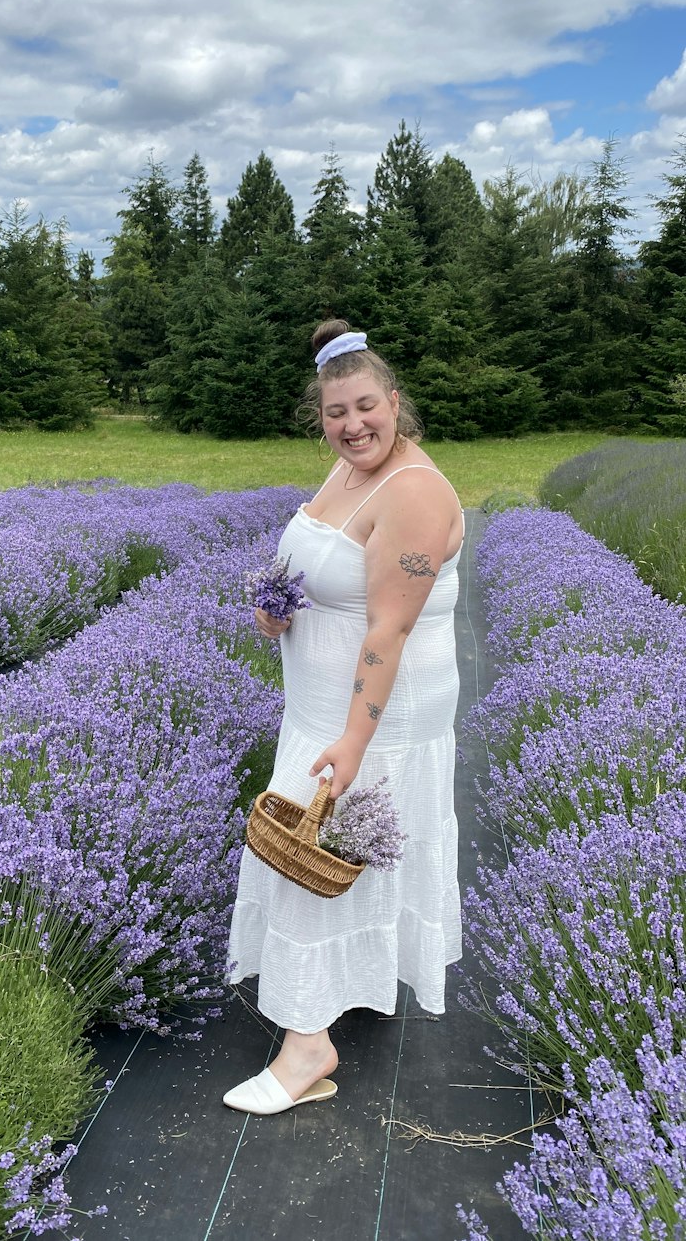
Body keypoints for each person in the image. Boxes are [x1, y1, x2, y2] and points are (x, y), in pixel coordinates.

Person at [223, 320, 463, 1116]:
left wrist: (356, 741)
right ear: (319, 418)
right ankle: (335, 995)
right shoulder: (350, 470)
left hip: (377, 719)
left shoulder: (417, 491)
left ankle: (306, 1047)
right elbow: (314, 562)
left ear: (396, 402)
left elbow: (387, 629)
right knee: (323, 855)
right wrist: (276, 607)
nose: (352, 424)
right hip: (319, 707)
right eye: (335, 412)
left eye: (366, 406)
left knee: (313, 858)